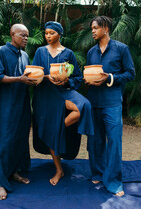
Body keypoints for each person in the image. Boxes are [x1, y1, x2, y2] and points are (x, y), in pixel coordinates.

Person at [32, 21, 94, 186]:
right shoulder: (40, 51)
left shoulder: (68, 53)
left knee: (84, 106)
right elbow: (34, 74)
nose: (48, 36)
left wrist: (66, 80)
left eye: (52, 33)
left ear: (59, 34)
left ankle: (56, 128)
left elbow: (78, 77)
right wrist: (46, 77)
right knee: (54, 131)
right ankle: (59, 170)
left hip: (63, 92)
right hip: (45, 94)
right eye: (46, 33)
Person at [86, 16, 135, 197]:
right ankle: (98, 173)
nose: (92, 31)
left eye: (95, 28)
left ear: (106, 28)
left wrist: (110, 78)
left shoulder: (122, 49)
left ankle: (114, 181)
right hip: (93, 102)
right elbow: (91, 73)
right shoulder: (91, 52)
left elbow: (130, 73)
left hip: (112, 102)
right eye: (92, 28)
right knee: (95, 141)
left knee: (113, 141)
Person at [0, 24, 37, 200]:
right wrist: (20, 79)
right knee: (5, 141)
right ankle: (2, 182)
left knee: (20, 138)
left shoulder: (25, 55)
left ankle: (15, 172)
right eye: (23, 35)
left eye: (27, 36)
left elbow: (27, 76)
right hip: (6, 105)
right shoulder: (0, 51)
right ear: (12, 34)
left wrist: (35, 80)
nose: (26, 38)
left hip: (23, 103)